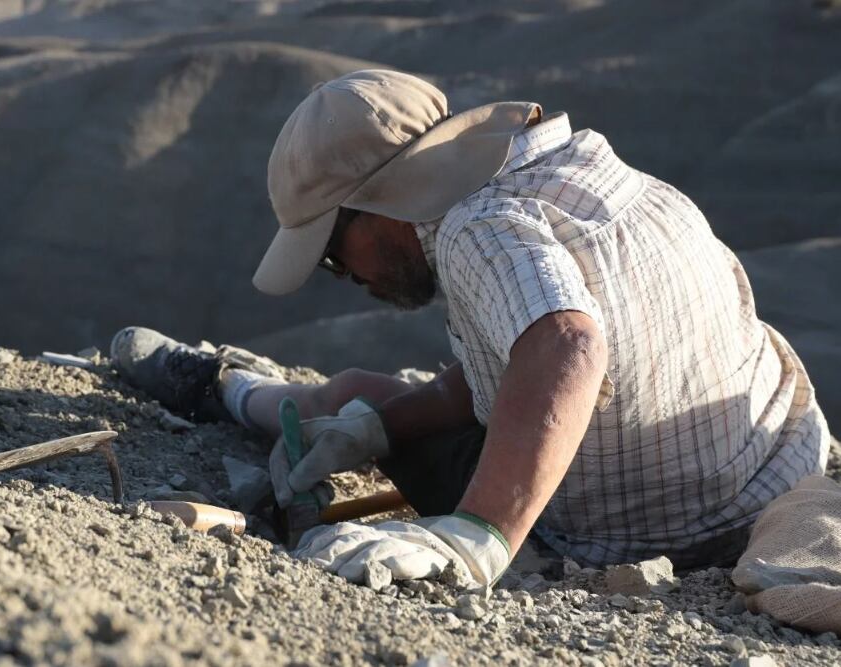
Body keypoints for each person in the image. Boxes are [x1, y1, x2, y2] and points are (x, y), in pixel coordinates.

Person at [111, 69, 831, 590]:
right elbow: (528, 356)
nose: (344, 273)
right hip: (772, 467)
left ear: (378, 208)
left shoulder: (473, 230)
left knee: (337, 431)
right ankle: (248, 390)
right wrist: (387, 427)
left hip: (652, 527)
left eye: (332, 252)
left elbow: (568, 346)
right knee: (370, 404)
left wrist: (479, 536)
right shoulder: (589, 174)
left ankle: (227, 388)